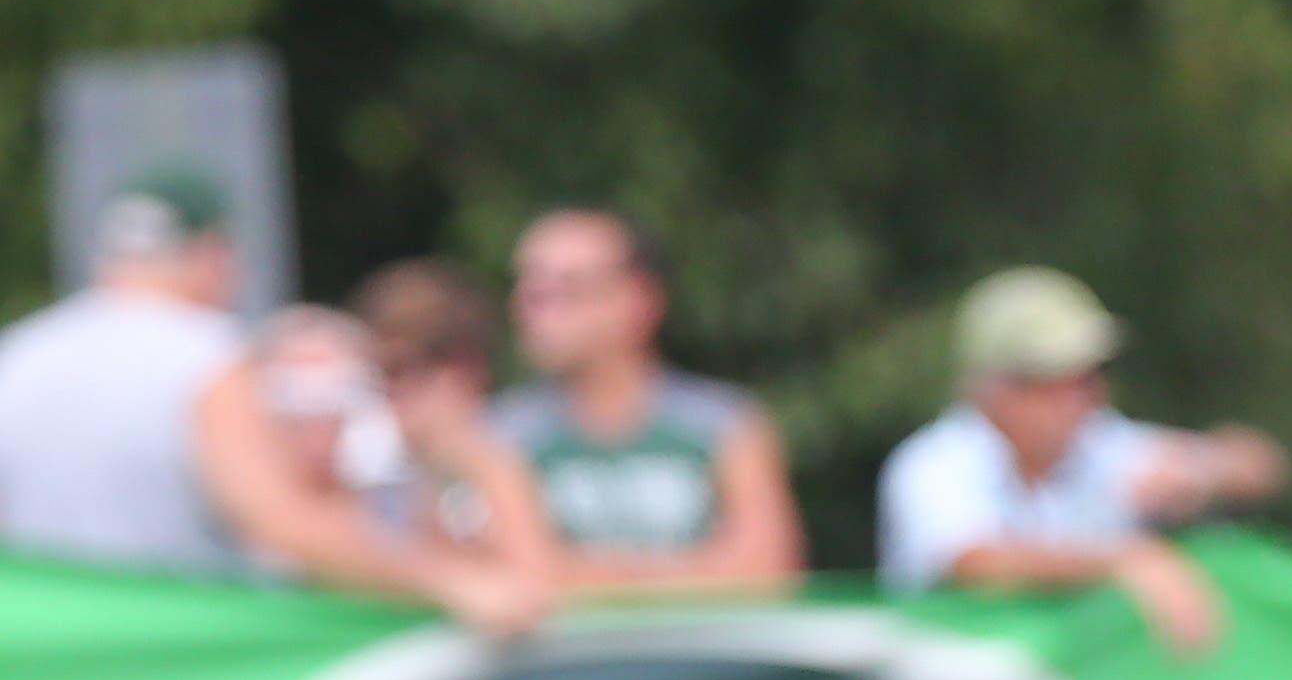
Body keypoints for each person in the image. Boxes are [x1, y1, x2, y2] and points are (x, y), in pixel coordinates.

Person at [875, 267, 1232, 654]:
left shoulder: (1102, 444)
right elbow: (972, 563)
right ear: (996, 390)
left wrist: (1200, 473)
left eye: (1090, 376)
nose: (1088, 396)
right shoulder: (933, 463)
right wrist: (1126, 561)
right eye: (1059, 380)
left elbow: (1255, 462)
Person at [190, 293, 552, 637]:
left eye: (342, 395)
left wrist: (476, 457)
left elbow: (525, 583)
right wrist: (446, 582)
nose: (320, 425)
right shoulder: (232, 520)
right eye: (294, 400)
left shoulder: (402, 503)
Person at [494, 208, 804, 595]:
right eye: (529, 289)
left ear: (640, 299)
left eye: (567, 289)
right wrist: (699, 573)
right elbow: (493, 573)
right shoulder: (498, 433)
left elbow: (769, 572)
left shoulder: (723, 423)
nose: (533, 308)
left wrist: (570, 573)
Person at [0, 162, 247, 574]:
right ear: (213, 252)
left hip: (44, 628)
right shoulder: (217, 353)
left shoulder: (18, 352)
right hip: (186, 623)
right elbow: (272, 516)